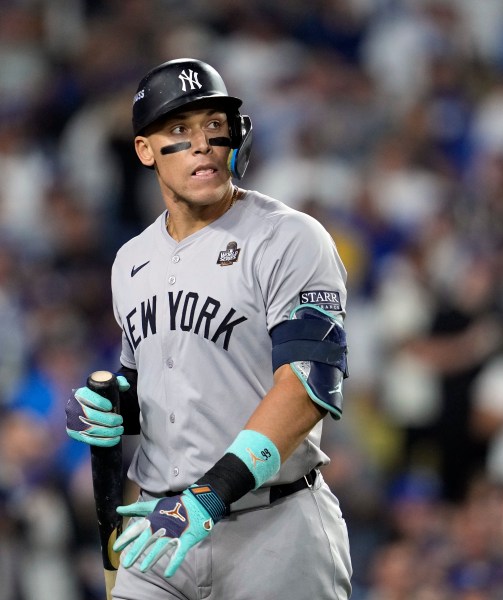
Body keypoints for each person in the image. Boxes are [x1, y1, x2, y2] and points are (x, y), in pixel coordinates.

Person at [65, 58, 352, 600]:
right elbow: (157, 381)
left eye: (214, 126)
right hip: (159, 530)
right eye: (179, 129)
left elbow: (308, 387)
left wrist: (210, 495)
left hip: (273, 529)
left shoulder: (290, 238)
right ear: (145, 150)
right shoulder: (130, 259)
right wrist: (114, 409)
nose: (203, 144)